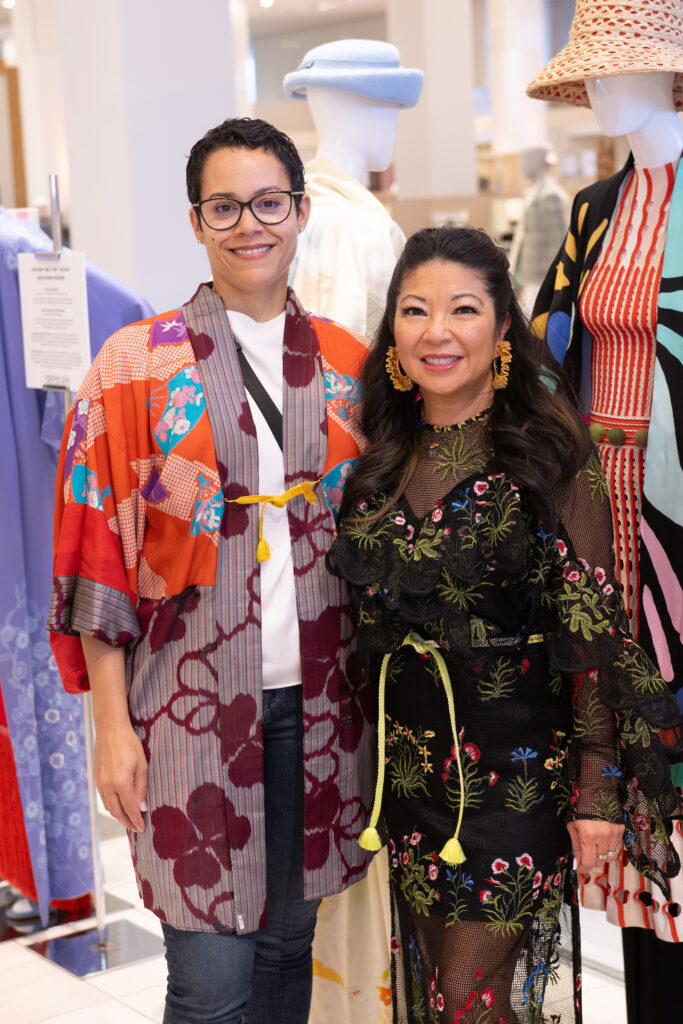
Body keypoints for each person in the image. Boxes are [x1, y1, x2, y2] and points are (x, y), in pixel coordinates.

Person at [47, 117, 374, 1024]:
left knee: (285, 949)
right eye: (223, 207)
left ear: (301, 211)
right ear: (196, 222)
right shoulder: (133, 369)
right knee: (209, 982)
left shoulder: (351, 366)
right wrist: (112, 727)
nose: (248, 225)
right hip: (184, 710)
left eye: (268, 202)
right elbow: (95, 560)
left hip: (320, 711)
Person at [327, 226, 682, 1023]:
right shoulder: (377, 464)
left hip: (517, 776)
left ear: (501, 331)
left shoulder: (550, 453)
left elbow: (591, 627)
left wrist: (595, 788)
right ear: (393, 333)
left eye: (462, 309)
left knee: (467, 999)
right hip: (411, 784)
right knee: (444, 995)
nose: (436, 332)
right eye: (414, 311)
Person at [526, 4, 683, 1017]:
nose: (607, 87)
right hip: (602, 518)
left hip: (674, 522)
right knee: (616, 731)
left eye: (625, 68)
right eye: (596, 72)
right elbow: (542, 341)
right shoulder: (591, 208)